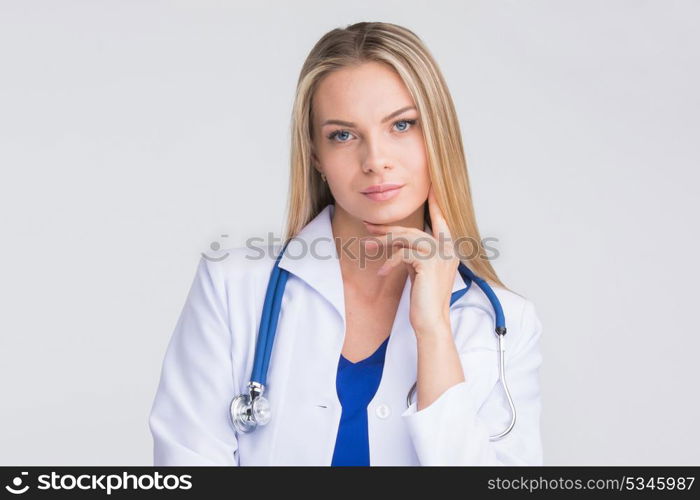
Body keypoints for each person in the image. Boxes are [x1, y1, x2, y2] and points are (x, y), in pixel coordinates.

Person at [149, 21, 544, 466]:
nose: (375, 160)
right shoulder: (231, 289)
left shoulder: (502, 324)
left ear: (439, 136)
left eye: (401, 125)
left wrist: (433, 329)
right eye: (343, 135)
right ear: (316, 154)